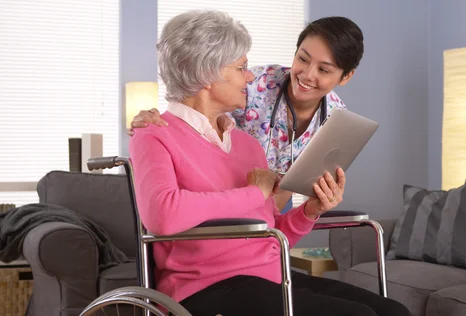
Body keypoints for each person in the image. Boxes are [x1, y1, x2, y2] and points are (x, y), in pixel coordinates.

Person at [129, 9, 411, 316]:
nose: (249, 77)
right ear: (207, 74)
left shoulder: (248, 145)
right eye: (241, 68)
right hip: (203, 288)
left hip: (270, 274)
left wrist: (310, 211)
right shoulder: (154, 134)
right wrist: (254, 194)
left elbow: (270, 233)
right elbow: (162, 215)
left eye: (324, 69)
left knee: (394, 312)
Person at [129, 14, 364, 214]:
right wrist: (156, 121)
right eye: (302, 59)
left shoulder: (337, 121)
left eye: (323, 69)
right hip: (225, 191)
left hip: (278, 202)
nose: (307, 74)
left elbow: (305, 181)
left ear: (346, 77)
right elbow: (198, 97)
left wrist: (317, 202)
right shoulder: (257, 84)